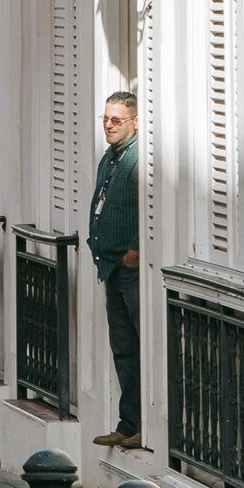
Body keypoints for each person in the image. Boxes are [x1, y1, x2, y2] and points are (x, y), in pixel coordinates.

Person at [90, 89, 144, 448]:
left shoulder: (137, 159)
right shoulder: (110, 157)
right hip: (110, 267)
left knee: (139, 346)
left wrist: (135, 251)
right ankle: (128, 424)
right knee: (123, 347)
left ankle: (143, 427)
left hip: (129, 270)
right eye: (106, 119)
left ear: (134, 122)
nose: (109, 125)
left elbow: (146, 205)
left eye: (117, 120)